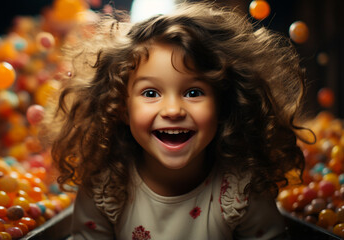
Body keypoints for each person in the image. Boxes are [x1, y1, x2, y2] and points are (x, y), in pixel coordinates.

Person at [41, 1, 311, 239]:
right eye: (150, 93)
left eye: (193, 92)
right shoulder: (104, 189)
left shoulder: (241, 190)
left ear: (224, 103)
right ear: (120, 107)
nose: (172, 110)